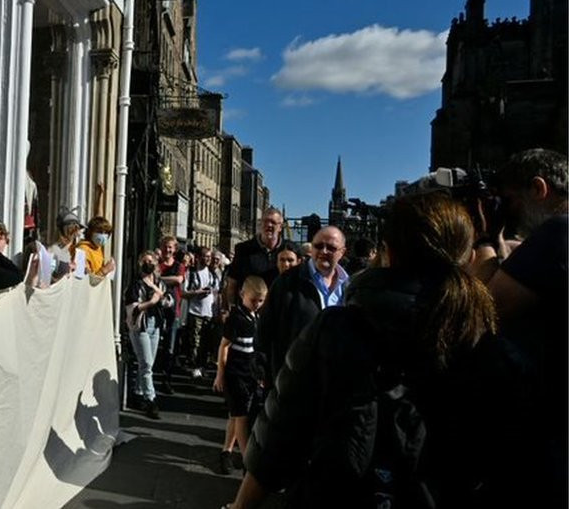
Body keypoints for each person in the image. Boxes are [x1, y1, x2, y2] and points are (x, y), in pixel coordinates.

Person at [226, 192, 530, 509]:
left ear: (388, 253)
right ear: (466, 257)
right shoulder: (485, 341)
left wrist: (241, 506)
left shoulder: (336, 329)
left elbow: (279, 438)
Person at [472, 148, 568, 505]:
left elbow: (482, 310)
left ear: (539, 189)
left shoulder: (559, 231)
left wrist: (484, 240)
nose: (507, 211)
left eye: (509, 200)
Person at [257, 226, 348, 380]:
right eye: (319, 246)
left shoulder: (350, 286)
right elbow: (265, 330)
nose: (323, 251)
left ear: (342, 252)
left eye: (331, 248)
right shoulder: (287, 282)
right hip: (294, 382)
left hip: (336, 381)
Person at [213, 276, 267, 476]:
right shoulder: (236, 318)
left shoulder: (255, 318)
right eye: (254, 300)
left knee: (236, 415)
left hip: (248, 374)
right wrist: (220, 374)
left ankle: (226, 451)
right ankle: (247, 459)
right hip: (235, 375)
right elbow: (223, 346)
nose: (257, 305)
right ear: (243, 295)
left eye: (261, 301)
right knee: (241, 416)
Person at [124, 251, 168, 420]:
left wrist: (160, 296)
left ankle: (138, 392)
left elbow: (168, 301)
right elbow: (132, 308)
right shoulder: (136, 285)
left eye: (151, 261)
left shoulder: (159, 283)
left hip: (154, 325)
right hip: (140, 326)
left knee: (148, 363)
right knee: (147, 363)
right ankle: (151, 399)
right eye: (145, 261)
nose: (148, 264)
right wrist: (151, 302)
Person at [223, 208, 286, 322]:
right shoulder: (244, 249)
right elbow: (232, 283)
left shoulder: (288, 251)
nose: (269, 225)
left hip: (279, 316)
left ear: (280, 227)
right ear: (260, 224)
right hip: (248, 317)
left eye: (273, 222)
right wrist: (231, 311)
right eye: (265, 221)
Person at [181, 246, 218, 377]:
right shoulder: (190, 273)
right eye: (205, 256)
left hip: (209, 312)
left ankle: (202, 366)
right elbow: (183, 293)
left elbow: (217, 293)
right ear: (198, 257)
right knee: (195, 341)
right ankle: (195, 365)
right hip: (195, 311)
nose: (207, 259)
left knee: (206, 341)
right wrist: (197, 293)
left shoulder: (212, 274)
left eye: (209, 256)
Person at [155, 235, 186, 394]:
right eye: (165, 246)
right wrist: (166, 279)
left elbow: (178, 280)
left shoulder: (179, 265)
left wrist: (159, 279)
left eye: (170, 247)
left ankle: (166, 379)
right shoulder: (157, 264)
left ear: (174, 250)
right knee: (156, 345)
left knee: (170, 347)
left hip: (174, 311)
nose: (168, 250)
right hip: (156, 309)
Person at [50, 209, 83, 281]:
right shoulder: (54, 251)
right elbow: (47, 279)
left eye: (77, 229)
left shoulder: (77, 252)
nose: (78, 234)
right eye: (72, 230)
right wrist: (65, 275)